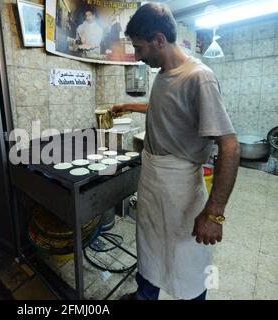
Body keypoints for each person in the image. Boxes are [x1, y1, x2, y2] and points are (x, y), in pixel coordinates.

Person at [110, 3, 240, 300]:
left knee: (186, 259)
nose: (139, 56)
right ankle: (145, 296)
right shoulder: (164, 73)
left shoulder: (199, 77)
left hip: (180, 187)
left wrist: (214, 213)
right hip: (154, 182)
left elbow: (230, 146)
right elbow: (164, 106)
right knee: (150, 246)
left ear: (158, 40)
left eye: (140, 48)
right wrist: (126, 105)